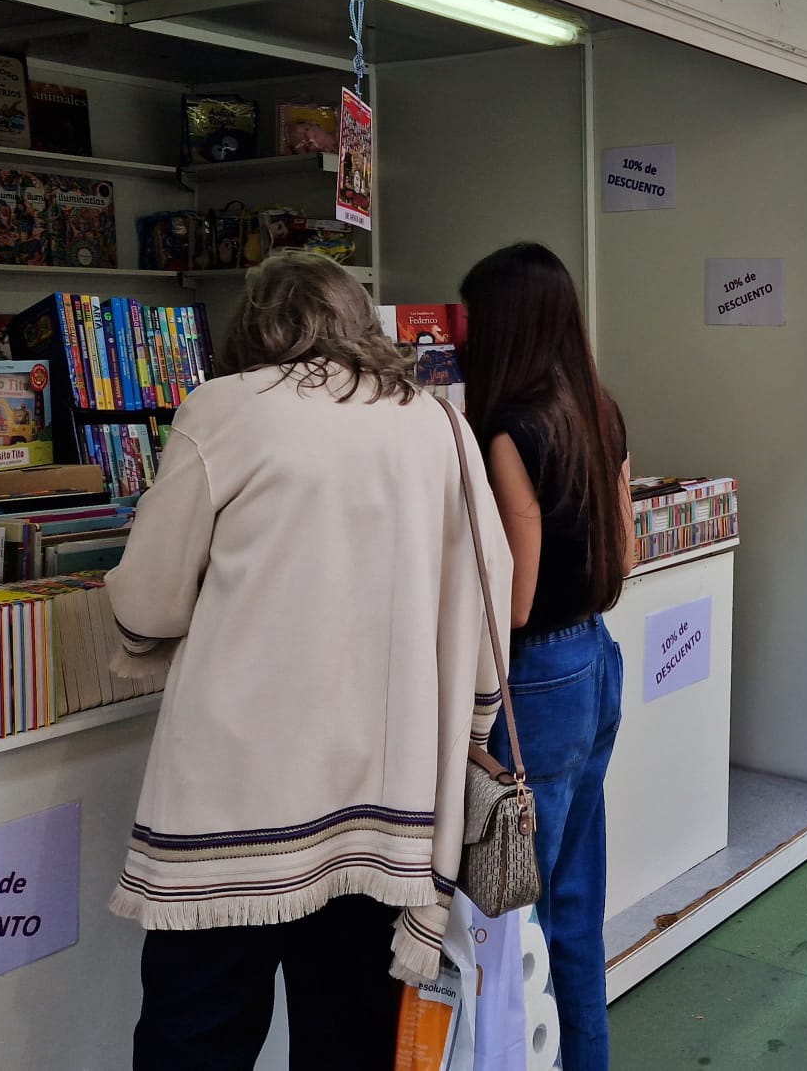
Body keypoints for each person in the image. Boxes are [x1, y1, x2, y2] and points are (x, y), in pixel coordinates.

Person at [108, 251, 512, 1070]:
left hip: (232, 806)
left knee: (198, 1032)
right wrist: (473, 723)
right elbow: (488, 588)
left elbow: (149, 602)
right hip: (383, 801)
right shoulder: (436, 422)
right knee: (351, 1036)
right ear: (360, 323)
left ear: (252, 327)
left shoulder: (223, 408)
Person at [460, 241, 632, 1071]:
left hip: (536, 681)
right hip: (599, 661)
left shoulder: (507, 433)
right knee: (576, 901)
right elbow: (625, 553)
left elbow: (514, 601)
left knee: (513, 908)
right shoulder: (601, 409)